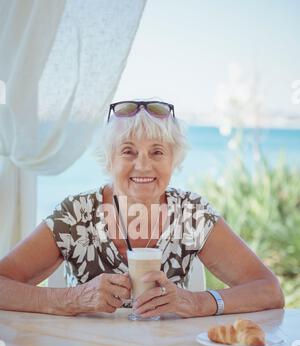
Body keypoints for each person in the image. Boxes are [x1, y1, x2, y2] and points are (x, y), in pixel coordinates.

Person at [0, 100, 284, 318]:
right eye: (128, 151)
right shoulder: (77, 215)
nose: (143, 165)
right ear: (109, 160)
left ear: (174, 160)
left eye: (157, 152)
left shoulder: (191, 215)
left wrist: (196, 302)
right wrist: (74, 298)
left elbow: (268, 290)